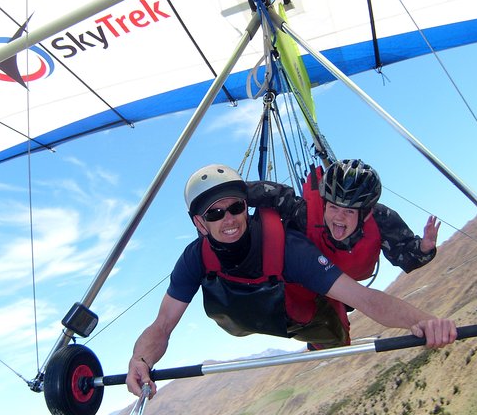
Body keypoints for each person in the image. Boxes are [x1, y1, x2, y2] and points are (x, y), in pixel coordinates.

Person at [126, 164, 457, 398]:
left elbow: (366, 299)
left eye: (236, 207)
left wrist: (426, 322)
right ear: (200, 223)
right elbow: (163, 324)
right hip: (239, 315)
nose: (228, 219)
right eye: (215, 213)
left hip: (294, 314)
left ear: (247, 206)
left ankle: (324, 333)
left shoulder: (288, 247)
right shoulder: (194, 258)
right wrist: (141, 360)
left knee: (333, 327)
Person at [247, 159, 440, 281]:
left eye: (349, 212)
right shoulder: (307, 213)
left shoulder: (382, 220)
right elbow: (276, 195)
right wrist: (229, 192)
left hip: (350, 283)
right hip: (313, 282)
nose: (339, 216)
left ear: (366, 214)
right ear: (324, 205)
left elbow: (405, 253)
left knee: (337, 329)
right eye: (333, 207)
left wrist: (423, 248)